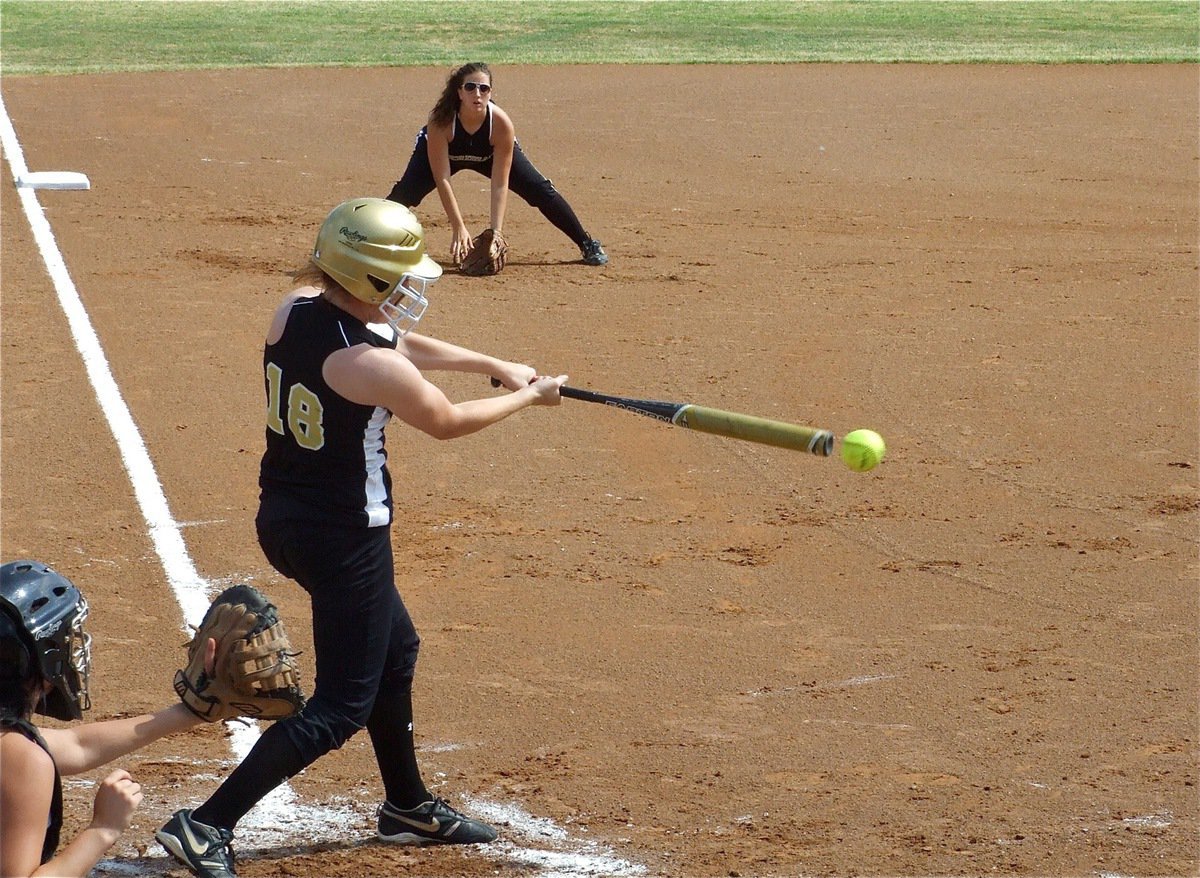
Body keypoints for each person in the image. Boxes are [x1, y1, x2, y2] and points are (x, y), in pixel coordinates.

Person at [156, 197, 567, 878]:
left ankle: (406, 805)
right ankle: (206, 825)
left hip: (285, 518)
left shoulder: (296, 308)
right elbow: (445, 420)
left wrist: (493, 361)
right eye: (400, 276)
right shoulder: (367, 365)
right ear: (372, 278)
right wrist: (530, 396)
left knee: (396, 647)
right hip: (346, 537)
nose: (410, 288)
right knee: (342, 704)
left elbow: (398, 346)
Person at [0, 559, 209, 878]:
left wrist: (188, 712)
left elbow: (77, 746)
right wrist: (103, 829)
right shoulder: (23, 760)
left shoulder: (13, 746)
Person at [386, 61, 609, 268]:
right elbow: (442, 178)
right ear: (459, 92)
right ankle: (362, 238)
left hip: (488, 154)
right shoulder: (441, 121)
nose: (477, 93)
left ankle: (586, 242)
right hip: (442, 154)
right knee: (405, 194)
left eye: (484, 89)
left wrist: (496, 232)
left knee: (538, 189)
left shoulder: (501, 124)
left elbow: (500, 184)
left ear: (490, 93)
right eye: (471, 87)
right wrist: (458, 226)